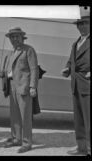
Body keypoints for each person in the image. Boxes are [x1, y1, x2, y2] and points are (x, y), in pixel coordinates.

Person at [2, 27, 39, 153]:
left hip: (24, 87)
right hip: (12, 87)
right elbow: (6, 71)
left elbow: (34, 69)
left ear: (22, 37)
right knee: (15, 115)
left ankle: (27, 143)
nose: (14, 39)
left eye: (16, 36)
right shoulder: (11, 53)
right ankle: (16, 139)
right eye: (12, 37)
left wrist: (33, 86)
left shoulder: (28, 50)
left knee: (25, 117)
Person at [61, 15, 90, 156]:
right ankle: (81, 148)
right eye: (79, 24)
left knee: (89, 120)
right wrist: (67, 68)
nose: (81, 26)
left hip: (88, 85)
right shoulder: (76, 43)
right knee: (79, 120)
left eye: (85, 23)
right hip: (75, 85)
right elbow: (71, 60)